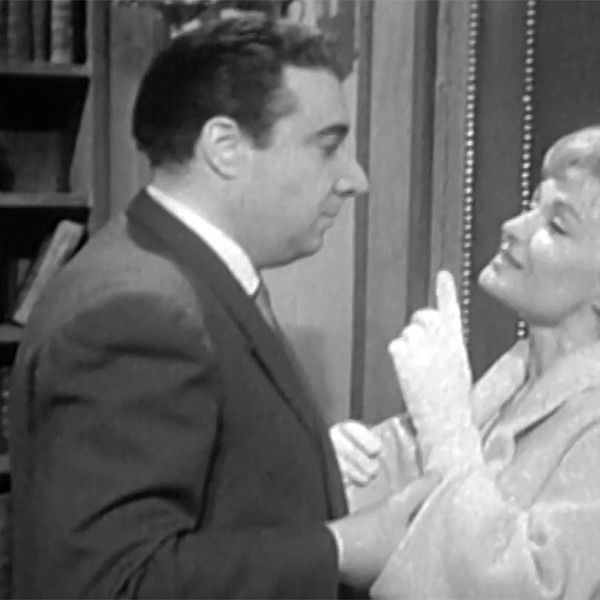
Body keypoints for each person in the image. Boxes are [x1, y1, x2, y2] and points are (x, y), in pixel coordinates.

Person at [8, 15, 437, 599]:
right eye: (328, 147)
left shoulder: (181, 274)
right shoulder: (139, 311)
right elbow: (112, 583)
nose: (354, 179)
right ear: (225, 147)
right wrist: (340, 547)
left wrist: (303, 466)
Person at [338, 125, 600, 598]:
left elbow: (526, 590)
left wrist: (446, 424)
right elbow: (399, 488)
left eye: (557, 225)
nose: (514, 227)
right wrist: (341, 460)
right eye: (532, 205)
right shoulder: (506, 385)